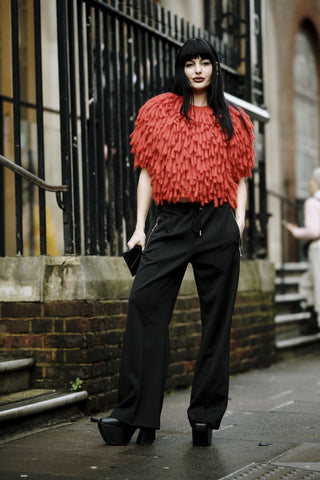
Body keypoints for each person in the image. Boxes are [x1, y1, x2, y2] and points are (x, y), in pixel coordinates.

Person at [95, 38, 255, 447]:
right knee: (144, 304)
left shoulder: (233, 119)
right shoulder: (159, 111)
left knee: (216, 322)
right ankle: (133, 415)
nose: (197, 70)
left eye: (205, 63)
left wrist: (237, 222)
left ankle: (204, 416)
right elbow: (146, 172)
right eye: (190, 63)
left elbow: (241, 175)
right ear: (180, 68)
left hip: (218, 222)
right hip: (171, 220)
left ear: (215, 68)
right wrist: (139, 227)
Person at [285, 167, 320, 333]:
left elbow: (313, 231)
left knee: (317, 287)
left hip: (317, 247)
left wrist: (295, 231)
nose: (309, 184)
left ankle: (315, 318)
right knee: (308, 282)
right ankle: (312, 318)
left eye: (311, 181)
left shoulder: (312, 202)